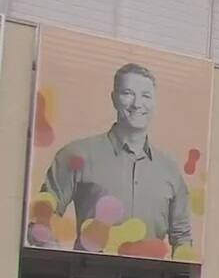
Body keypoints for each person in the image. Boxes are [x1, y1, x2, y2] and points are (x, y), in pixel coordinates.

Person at [32, 62, 192, 256]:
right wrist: (56, 256)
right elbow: (41, 218)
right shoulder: (76, 154)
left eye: (146, 96)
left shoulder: (170, 170)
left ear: (154, 103)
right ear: (114, 98)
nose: (137, 104)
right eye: (128, 93)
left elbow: (182, 238)